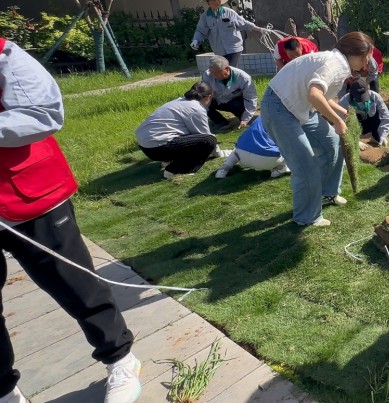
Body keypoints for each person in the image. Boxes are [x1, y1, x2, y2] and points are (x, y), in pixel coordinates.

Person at [0, 38, 142, 403]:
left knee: (75, 282)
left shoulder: (5, 54)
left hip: (27, 192)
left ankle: (120, 358)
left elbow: (43, 114)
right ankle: (4, 390)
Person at [261, 32, 375, 227]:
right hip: (280, 108)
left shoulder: (338, 63)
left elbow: (323, 95)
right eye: (367, 58)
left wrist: (342, 112)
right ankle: (306, 217)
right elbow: (314, 95)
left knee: (332, 143)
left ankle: (328, 193)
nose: (366, 63)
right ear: (357, 54)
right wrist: (337, 122)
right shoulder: (335, 64)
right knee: (305, 166)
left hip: (300, 106)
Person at [135, 82, 228, 179]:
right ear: (209, 97)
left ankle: (168, 160)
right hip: (158, 147)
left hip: (145, 146)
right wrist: (220, 153)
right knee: (209, 140)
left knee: (188, 136)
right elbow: (205, 136)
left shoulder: (179, 101)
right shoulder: (196, 109)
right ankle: (175, 170)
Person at [190, 0, 263, 67]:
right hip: (219, 50)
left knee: (229, 68)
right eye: (214, 0)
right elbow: (200, 31)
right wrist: (195, 40)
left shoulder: (229, 12)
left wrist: (260, 29)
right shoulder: (205, 16)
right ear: (208, 2)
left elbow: (243, 23)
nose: (217, 2)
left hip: (234, 47)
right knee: (222, 70)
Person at [214, 117, 290, 179]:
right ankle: (279, 169)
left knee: (235, 150)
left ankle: (223, 169)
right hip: (268, 160)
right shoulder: (286, 119)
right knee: (291, 149)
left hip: (242, 156)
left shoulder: (260, 117)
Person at [201, 56, 258, 130]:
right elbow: (204, 93)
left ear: (227, 69)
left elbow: (251, 99)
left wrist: (245, 119)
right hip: (217, 100)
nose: (213, 76)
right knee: (202, 100)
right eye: (212, 73)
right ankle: (220, 122)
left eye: (216, 73)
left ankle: (243, 119)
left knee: (236, 105)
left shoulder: (243, 78)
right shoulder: (207, 75)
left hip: (234, 102)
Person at [338, 78, 389, 149]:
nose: (362, 101)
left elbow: (386, 116)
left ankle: (375, 136)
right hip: (356, 125)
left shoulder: (375, 96)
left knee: (379, 138)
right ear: (351, 93)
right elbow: (340, 123)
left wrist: (383, 135)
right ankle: (358, 138)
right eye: (359, 98)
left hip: (371, 121)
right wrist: (355, 141)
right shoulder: (343, 102)